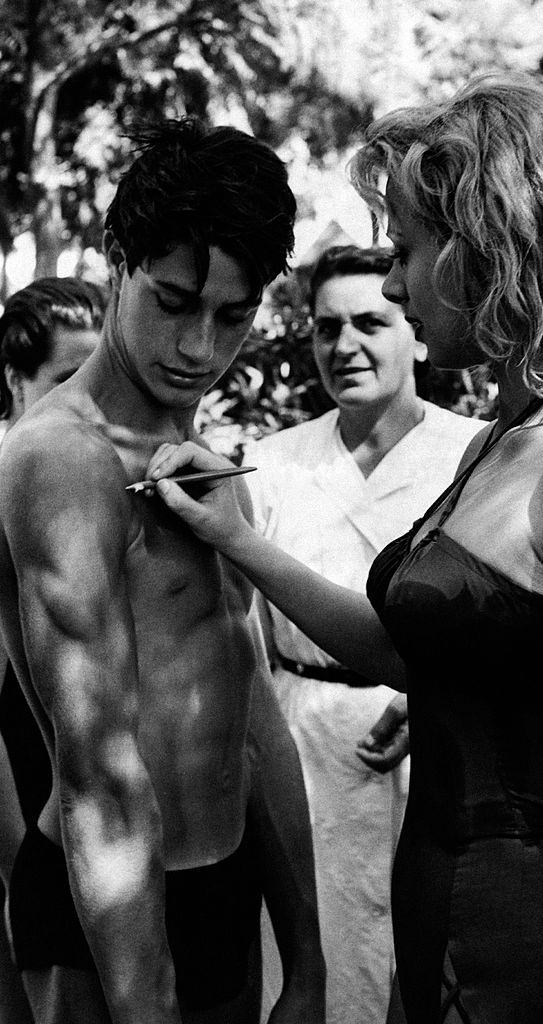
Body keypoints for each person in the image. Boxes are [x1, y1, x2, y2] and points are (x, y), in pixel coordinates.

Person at [146, 72, 543, 1024]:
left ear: (489, 247)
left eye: (405, 250)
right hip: (445, 940)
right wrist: (231, 537)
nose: (396, 284)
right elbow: (403, 650)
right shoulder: (511, 431)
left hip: (540, 963)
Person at [0, 119, 325, 1024]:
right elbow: (97, 774)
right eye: (172, 302)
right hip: (102, 914)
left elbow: (255, 723)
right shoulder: (61, 461)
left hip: (221, 892)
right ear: (117, 262)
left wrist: (307, 961)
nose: (197, 348)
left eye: (232, 316)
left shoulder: (202, 462)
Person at [245, 244, 484, 1024]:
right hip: (303, 748)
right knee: (316, 967)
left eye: (370, 323)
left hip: (443, 751)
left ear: (413, 330)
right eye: (325, 328)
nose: (344, 346)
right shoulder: (270, 464)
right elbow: (244, 638)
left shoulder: (475, 454)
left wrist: (437, 698)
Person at [0, 276, 106, 1024]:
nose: (88, 405)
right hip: (38, 860)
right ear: (15, 381)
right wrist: (18, 869)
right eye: (67, 379)